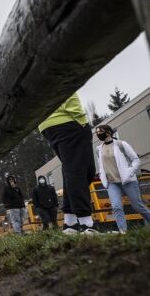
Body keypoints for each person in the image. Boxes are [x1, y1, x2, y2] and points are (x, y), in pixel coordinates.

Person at [39, 93, 98, 235]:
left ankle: (70, 222)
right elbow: (67, 89)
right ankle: (86, 223)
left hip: (47, 124)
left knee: (70, 170)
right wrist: (83, 122)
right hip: (68, 121)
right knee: (81, 171)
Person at [95, 124, 150, 234]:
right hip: (111, 183)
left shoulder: (121, 144)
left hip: (128, 181)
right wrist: (102, 176)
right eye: (96, 132)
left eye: (100, 132)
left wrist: (129, 172)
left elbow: (136, 160)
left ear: (108, 132)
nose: (98, 134)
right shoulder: (98, 149)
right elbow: (101, 165)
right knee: (116, 206)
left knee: (138, 206)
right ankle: (123, 231)